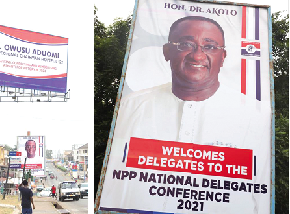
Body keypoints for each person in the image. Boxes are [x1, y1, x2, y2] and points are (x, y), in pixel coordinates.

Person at [113, 15, 268, 146]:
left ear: (222, 57)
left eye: (210, 47)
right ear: (167, 52)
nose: (197, 55)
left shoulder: (253, 116)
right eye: (186, 44)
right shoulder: (130, 107)